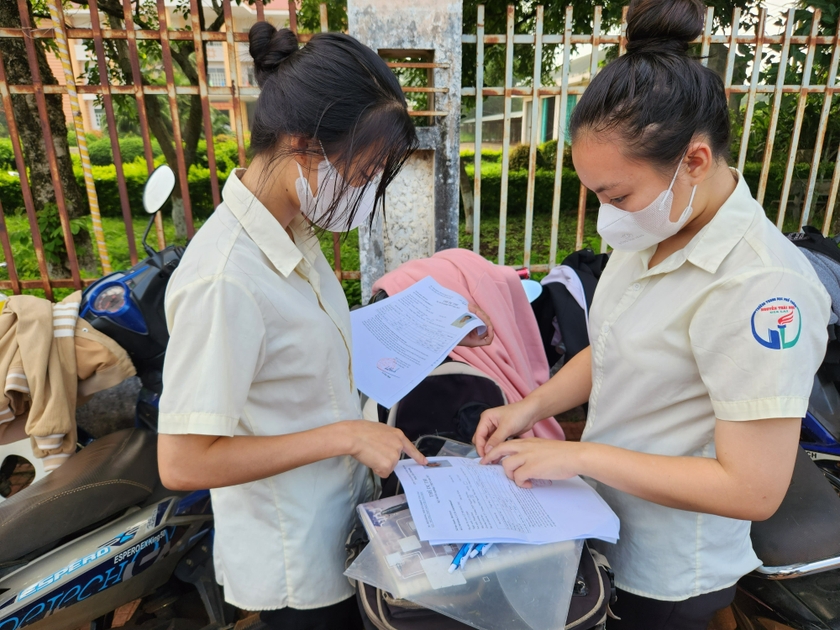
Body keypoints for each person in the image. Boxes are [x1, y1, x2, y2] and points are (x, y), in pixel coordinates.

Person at [474, 0, 831, 628]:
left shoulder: (761, 287)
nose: (607, 216)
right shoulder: (657, 224)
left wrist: (579, 456)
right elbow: (612, 346)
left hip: (672, 568)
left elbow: (753, 488)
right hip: (607, 520)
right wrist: (529, 407)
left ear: (693, 161)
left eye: (617, 195)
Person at [155, 24, 492, 630]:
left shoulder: (292, 231)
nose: (363, 196)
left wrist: (432, 329)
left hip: (337, 522)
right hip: (295, 566)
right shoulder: (224, 280)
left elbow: (299, 348)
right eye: (361, 176)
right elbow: (183, 463)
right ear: (300, 144)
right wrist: (345, 437)